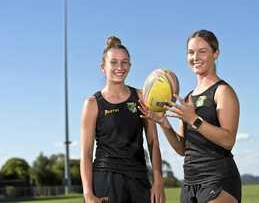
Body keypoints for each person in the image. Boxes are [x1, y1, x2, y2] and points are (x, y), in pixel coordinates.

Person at [139, 30, 241, 203]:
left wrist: (194, 119)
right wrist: (164, 124)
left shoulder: (223, 92)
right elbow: (181, 149)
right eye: (191, 52)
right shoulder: (188, 98)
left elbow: (228, 140)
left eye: (202, 51)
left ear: (215, 54)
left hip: (219, 180)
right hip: (189, 184)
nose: (196, 57)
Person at [80, 36, 165, 203]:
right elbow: (86, 154)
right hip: (105, 179)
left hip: (138, 179)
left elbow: (153, 142)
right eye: (114, 62)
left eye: (124, 62)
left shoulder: (141, 97)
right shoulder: (92, 104)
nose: (120, 67)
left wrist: (158, 182)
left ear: (130, 66)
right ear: (103, 67)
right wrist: (88, 194)